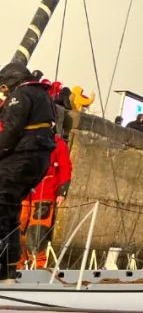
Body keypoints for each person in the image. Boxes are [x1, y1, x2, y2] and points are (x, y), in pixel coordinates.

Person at [0, 63, 56, 280]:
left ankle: (3, 268)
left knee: (2, 208)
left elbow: (12, 130)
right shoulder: (43, 96)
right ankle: (8, 267)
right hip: (38, 161)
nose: (4, 91)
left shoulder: (21, 94)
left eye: (4, 86)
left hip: (21, 158)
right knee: (10, 211)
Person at [19, 133, 72, 269]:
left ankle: (38, 266)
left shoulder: (58, 143)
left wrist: (62, 191)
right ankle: (18, 265)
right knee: (16, 232)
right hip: (23, 192)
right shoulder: (24, 136)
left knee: (35, 236)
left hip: (45, 194)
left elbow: (65, 167)